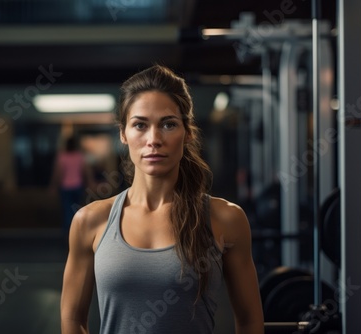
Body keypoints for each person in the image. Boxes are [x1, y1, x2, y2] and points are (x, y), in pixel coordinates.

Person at [60, 65, 264, 334]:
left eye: (168, 124)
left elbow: (250, 322)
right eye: (140, 125)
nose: (153, 139)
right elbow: (73, 319)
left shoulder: (226, 219)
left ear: (187, 132)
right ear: (123, 134)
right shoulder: (90, 221)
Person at [50, 136, 89, 234]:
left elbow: (58, 173)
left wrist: (53, 186)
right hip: (77, 186)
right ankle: (77, 233)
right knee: (77, 210)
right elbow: (85, 171)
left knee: (67, 211)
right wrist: (90, 182)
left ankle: (69, 234)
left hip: (66, 187)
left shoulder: (62, 156)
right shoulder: (79, 156)